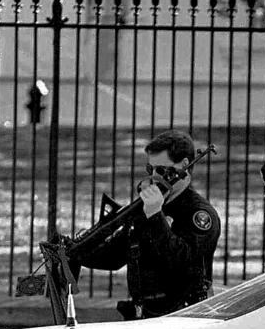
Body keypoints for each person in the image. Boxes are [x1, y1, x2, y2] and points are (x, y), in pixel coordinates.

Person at [79, 130, 221, 319]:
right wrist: (78, 251)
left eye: (162, 170)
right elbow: (115, 256)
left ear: (184, 165)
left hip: (184, 315)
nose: (155, 176)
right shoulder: (150, 207)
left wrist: (155, 216)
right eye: (151, 169)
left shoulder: (199, 214)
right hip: (145, 313)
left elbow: (180, 262)